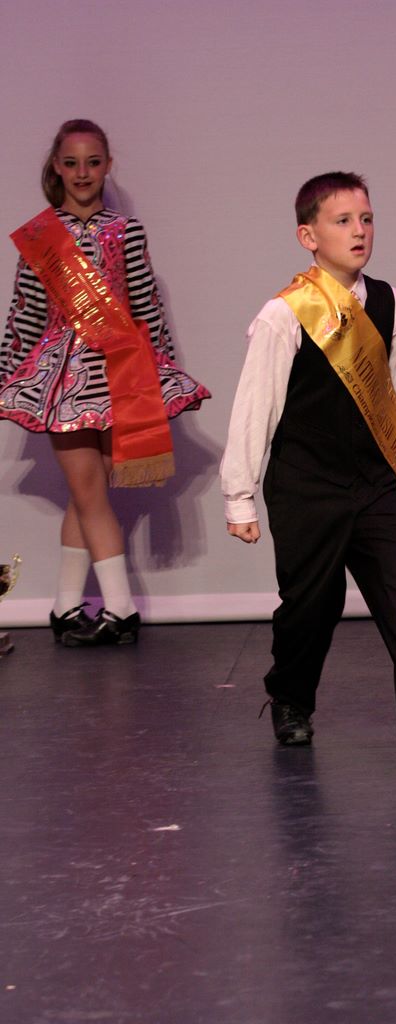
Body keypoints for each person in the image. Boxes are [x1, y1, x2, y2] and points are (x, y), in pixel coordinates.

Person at [220, 171, 396, 753]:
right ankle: (290, 698)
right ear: (308, 236)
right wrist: (239, 496)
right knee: (312, 606)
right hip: (305, 484)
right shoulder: (285, 313)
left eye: (366, 219)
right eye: (342, 221)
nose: (359, 231)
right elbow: (255, 406)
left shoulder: (393, 304)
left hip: (373, 482)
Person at [0, 119, 211, 645]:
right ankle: (121, 609)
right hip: (63, 382)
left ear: (108, 166)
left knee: (87, 495)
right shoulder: (40, 237)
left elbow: (145, 307)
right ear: (56, 167)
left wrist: (160, 372)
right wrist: (5, 374)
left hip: (119, 376)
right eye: (71, 163)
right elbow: (25, 315)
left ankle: (65, 606)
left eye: (93, 162)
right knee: (90, 493)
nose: (82, 173)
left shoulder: (127, 231)